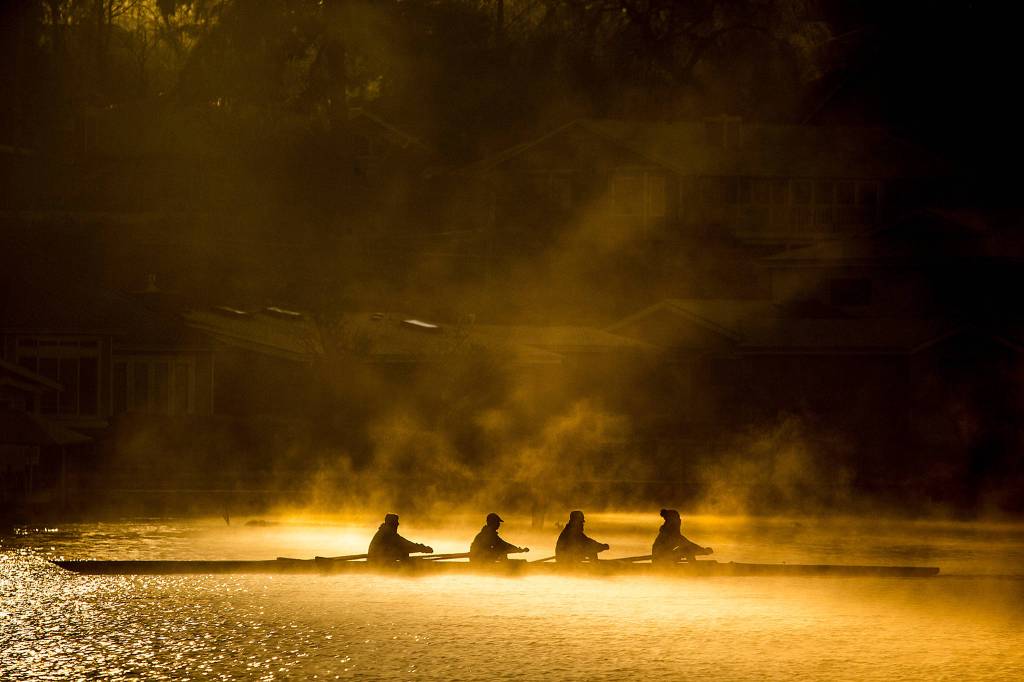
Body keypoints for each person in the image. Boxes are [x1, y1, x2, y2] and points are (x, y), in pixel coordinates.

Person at [367, 513, 433, 564]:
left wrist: (421, 548)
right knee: (404, 551)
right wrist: (423, 549)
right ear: (392, 523)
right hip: (378, 561)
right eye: (396, 522)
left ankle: (406, 567)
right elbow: (405, 544)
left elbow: (405, 544)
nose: (398, 524)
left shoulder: (385, 531)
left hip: (379, 559)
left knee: (403, 551)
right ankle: (408, 569)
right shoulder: (388, 534)